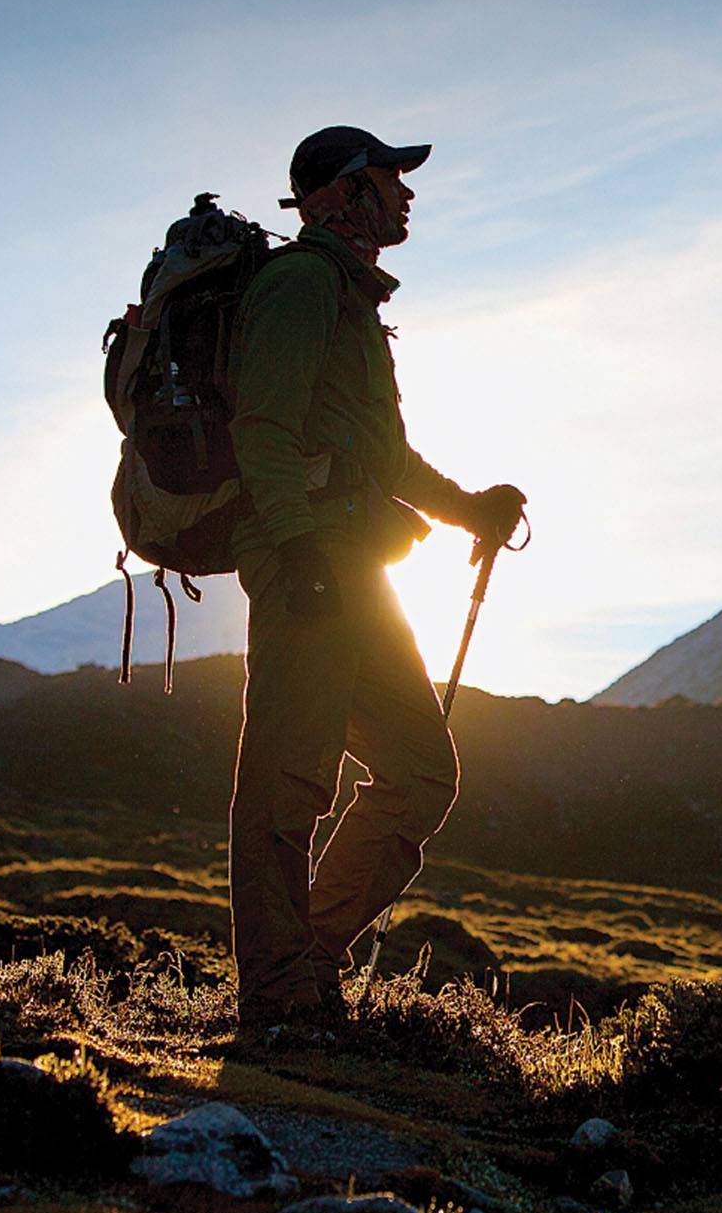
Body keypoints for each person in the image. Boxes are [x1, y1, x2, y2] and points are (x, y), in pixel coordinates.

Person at [223, 124, 526, 1035]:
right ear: (342, 195)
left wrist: (471, 509)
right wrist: (301, 551)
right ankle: (279, 997)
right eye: (389, 178)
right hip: (309, 565)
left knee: (421, 773)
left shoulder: (350, 303)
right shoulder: (301, 285)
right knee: (288, 777)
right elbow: (262, 429)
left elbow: (381, 459)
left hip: (353, 569)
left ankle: (307, 967)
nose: (406, 193)